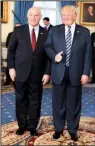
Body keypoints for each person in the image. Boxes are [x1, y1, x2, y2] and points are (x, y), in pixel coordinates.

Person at [45, 6, 92, 141]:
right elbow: (47, 47)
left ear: (75, 15)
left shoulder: (84, 32)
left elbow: (88, 54)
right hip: (58, 72)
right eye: (63, 14)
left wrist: (85, 73)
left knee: (74, 104)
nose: (65, 17)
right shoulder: (55, 30)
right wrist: (55, 56)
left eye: (68, 14)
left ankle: (72, 130)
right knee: (58, 104)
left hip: (76, 74)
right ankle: (58, 129)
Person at [7, 7, 50, 136]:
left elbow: (48, 56)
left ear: (40, 16)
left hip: (38, 74)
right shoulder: (18, 31)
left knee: (35, 100)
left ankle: (32, 126)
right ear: (27, 16)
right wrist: (11, 68)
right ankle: (22, 125)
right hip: (20, 72)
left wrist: (47, 72)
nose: (33, 17)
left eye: (36, 15)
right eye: (31, 15)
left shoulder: (46, 33)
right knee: (20, 100)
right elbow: (11, 51)